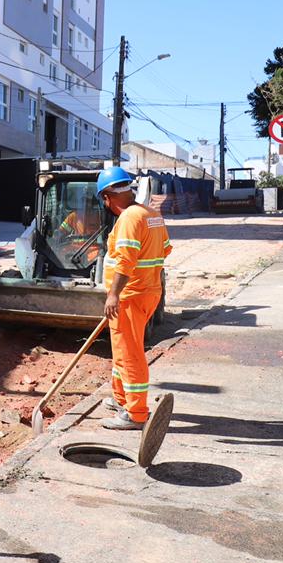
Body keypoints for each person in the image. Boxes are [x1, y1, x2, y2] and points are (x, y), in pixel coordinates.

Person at [95, 166, 172, 430]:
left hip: (130, 296)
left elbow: (126, 261)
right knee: (121, 348)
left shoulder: (129, 218)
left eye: (104, 200)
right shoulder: (152, 214)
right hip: (148, 292)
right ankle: (121, 398)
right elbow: (165, 249)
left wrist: (113, 295)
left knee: (130, 353)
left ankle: (136, 413)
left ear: (108, 196)